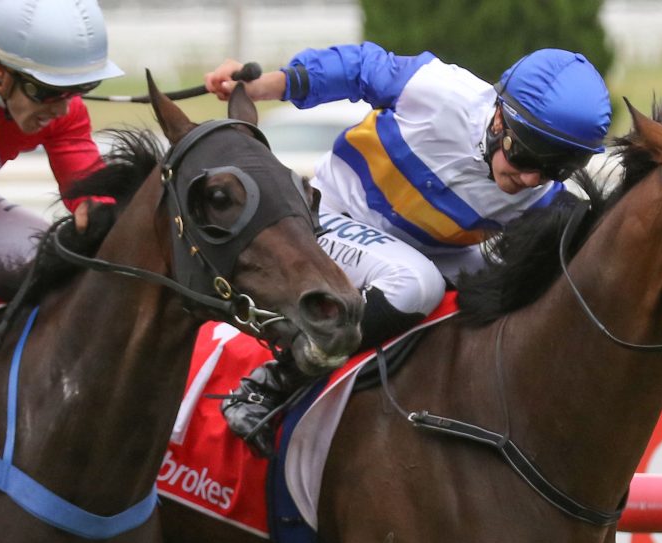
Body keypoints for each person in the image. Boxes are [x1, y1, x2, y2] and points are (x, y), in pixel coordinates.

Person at [204, 42, 611, 455]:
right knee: (415, 284)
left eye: (554, 169)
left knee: (508, 289)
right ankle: (270, 384)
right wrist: (266, 85)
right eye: (524, 156)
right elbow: (358, 68)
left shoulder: (544, 197)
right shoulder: (437, 90)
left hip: (426, 250)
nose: (530, 179)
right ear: (499, 118)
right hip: (332, 216)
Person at [0, 0, 123, 268]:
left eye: (76, 89)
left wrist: (97, 208)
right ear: (0, 72)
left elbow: (88, 189)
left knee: (43, 263)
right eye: (50, 91)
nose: (62, 109)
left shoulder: (67, 114)